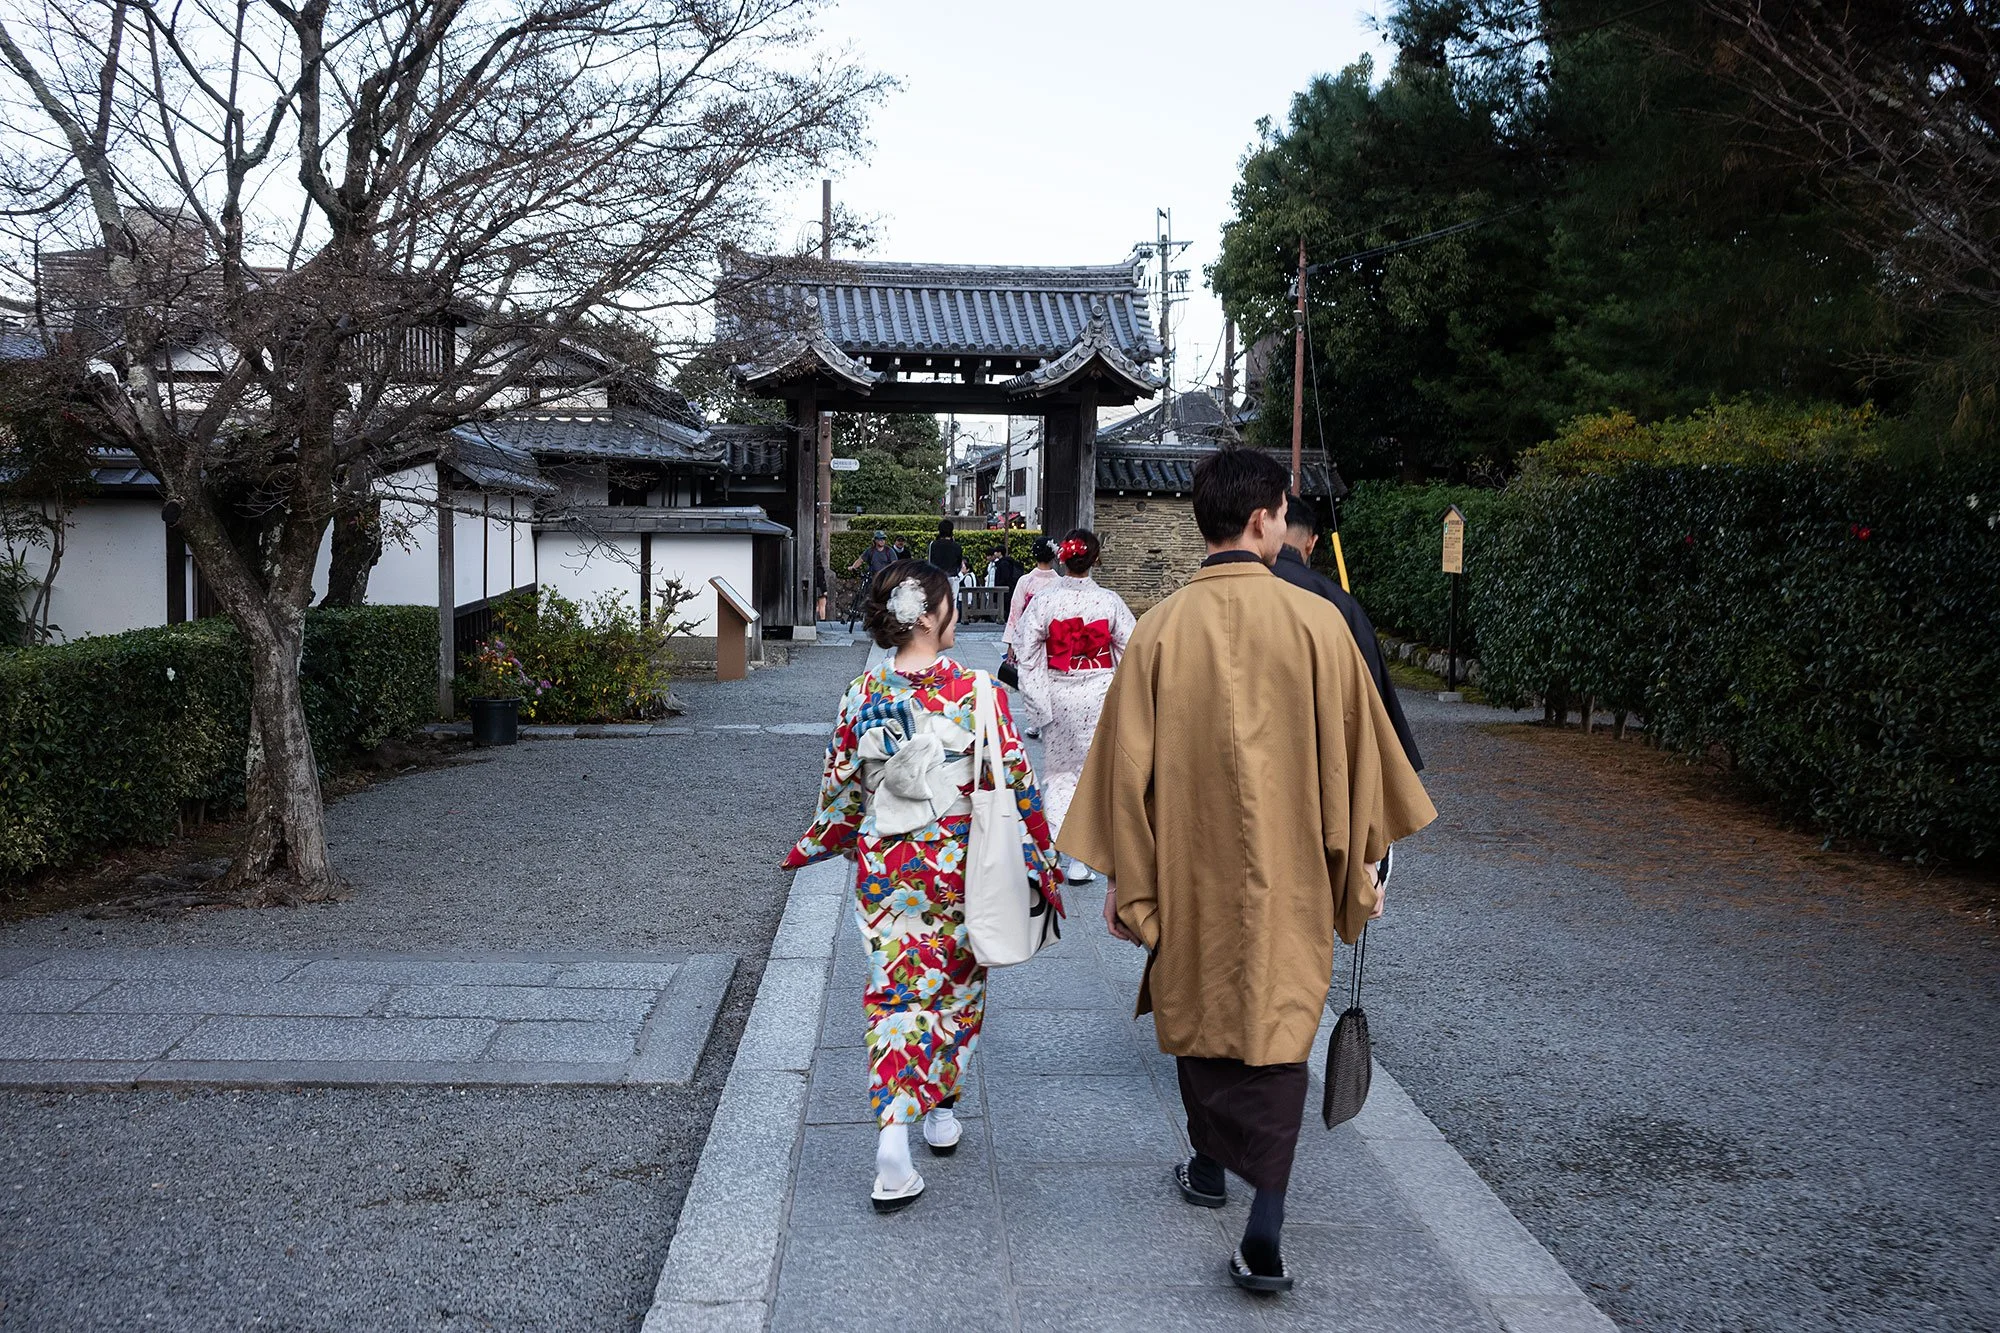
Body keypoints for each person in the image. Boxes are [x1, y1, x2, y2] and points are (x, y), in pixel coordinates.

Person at [1056, 449, 1435, 1293]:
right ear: (1264, 519)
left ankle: (1207, 1164)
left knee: (1199, 1011)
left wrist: (1125, 877)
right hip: (1294, 866)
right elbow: (1360, 757)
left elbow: (1124, 775)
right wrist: (1364, 855)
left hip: (1190, 868)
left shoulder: (1159, 628)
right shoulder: (1318, 624)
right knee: (1278, 1024)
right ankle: (1265, 1219)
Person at [783, 560, 1064, 1213]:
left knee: (896, 994)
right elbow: (1017, 781)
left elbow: (842, 794)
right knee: (957, 990)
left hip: (887, 873)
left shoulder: (861, 692)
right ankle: (941, 1105)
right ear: (932, 616)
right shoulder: (978, 690)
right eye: (951, 603)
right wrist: (1044, 859)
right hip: (960, 869)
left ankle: (893, 1142)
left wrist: (813, 844)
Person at [1014, 529, 1134, 886]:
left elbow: (1027, 652)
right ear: (1095, 559)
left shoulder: (1045, 601)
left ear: (1062, 558)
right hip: (1099, 692)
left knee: (1061, 774)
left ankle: (1057, 847)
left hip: (1059, 692)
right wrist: (1120, 691)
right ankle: (1081, 860)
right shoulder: (1109, 602)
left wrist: (1037, 699)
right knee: (1094, 776)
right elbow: (1132, 648)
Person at [1272, 494, 1424, 772]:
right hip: (1325, 760)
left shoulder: (1226, 596)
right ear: (1311, 542)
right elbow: (1371, 694)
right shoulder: (1337, 603)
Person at [845, 531, 900, 630]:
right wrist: (853, 567)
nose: (882, 541)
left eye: (883, 539)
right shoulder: (870, 551)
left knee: (885, 599)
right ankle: (868, 618)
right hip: (872, 578)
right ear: (875, 540)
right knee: (869, 598)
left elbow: (894, 564)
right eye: (880, 539)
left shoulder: (889, 551)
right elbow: (861, 560)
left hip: (884, 579)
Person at [927, 520, 967, 609]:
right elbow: (958, 563)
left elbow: (930, 562)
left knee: (938, 604)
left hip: (937, 578)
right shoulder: (957, 546)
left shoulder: (933, 545)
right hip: (952, 578)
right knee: (951, 605)